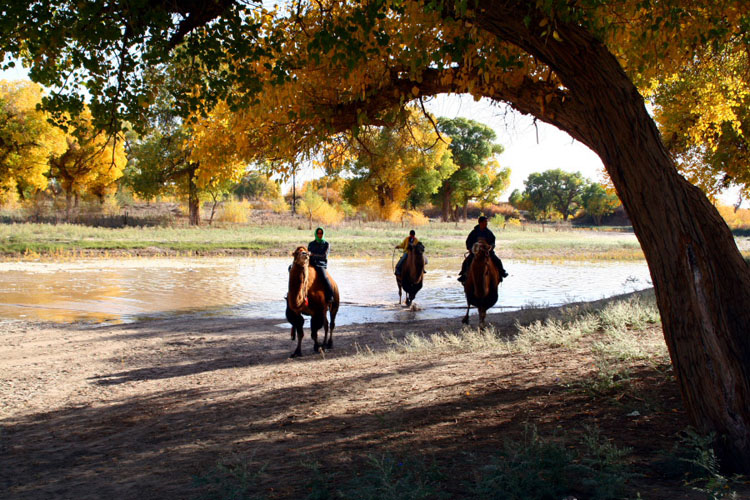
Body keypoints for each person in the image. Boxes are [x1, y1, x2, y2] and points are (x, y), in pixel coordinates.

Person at [457, 216, 509, 282]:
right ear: (480, 223)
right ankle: (464, 275)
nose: (486, 223)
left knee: (497, 260)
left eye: (486, 222)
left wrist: (491, 246)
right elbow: (468, 241)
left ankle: (502, 273)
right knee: (466, 261)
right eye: (485, 222)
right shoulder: (474, 232)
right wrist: (470, 248)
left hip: (487, 252)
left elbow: (493, 242)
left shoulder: (489, 233)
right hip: (475, 252)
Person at [308, 227, 334, 303]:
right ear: (316, 234)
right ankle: (291, 295)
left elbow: (324, 256)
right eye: (318, 233)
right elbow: (308, 254)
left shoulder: (326, 244)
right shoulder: (311, 244)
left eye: (321, 233)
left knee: (324, 276)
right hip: (311, 263)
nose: (320, 235)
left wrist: (313, 254)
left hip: (321, 264)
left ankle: (330, 295)